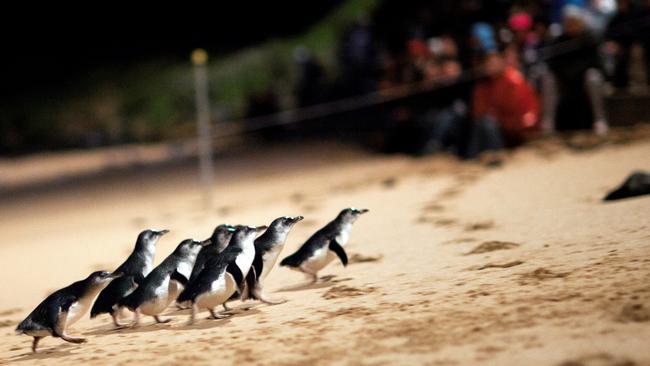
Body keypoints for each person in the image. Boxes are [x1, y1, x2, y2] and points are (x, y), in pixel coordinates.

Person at [544, 5, 609, 135]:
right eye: (568, 23)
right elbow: (552, 64)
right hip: (565, 82)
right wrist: (566, 74)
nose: (571, 26)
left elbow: (598, 64)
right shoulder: (559, 41)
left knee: (593, 76)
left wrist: (576, 71)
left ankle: (600, 120)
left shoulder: (591, 38)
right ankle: (547, 124)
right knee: (548, 79)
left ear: (581, 22)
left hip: (584, 81)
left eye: (574, 22)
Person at [467, 50, 540, 162]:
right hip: (499, 126)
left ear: (502, 62)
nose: (491, 67)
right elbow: (478, 111)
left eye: (494, 63)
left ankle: (497, 156)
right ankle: (473, 158)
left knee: (487, 123)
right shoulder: (483, 85)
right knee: (482, 123)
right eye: (489, 64)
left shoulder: (512, 79)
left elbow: (525, 106)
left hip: (516, 126)